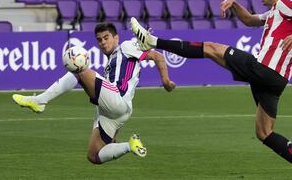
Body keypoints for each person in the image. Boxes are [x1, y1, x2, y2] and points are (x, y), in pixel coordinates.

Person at [130, 0, 292, 179]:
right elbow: (249, 20)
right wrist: (235, 3)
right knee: (264, 132)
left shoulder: (284, 4)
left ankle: (152, 41)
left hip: (266, 69)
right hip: (276, 81)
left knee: (212, 48)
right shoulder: (273, 12)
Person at [12, 22, 176, 164]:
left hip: (117, 98)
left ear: (116, 38)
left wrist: (166, 81)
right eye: (99, 40)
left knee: (79, 69)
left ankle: (40, 101)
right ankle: (130, 145)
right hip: (117, 111)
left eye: (106, 37)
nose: (103, 42)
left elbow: (158, 56)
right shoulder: (111, 62)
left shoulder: (126, 47)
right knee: (94, 155)